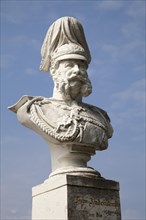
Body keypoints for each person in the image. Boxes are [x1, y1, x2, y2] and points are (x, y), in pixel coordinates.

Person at [8, 17, 113, 151]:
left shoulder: (100, 116)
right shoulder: (34, 109)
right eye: (69, 65)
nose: (77, 70)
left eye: (82, 66)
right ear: (54, 70)